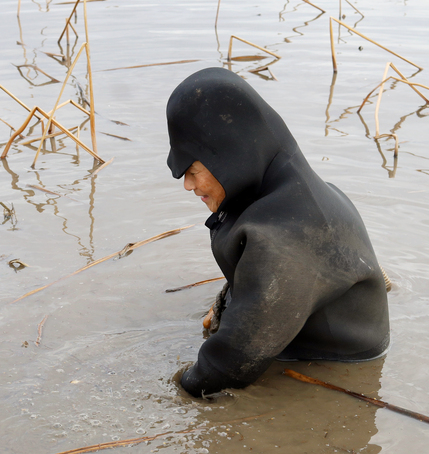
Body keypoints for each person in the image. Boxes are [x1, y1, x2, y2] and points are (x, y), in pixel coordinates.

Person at [166, 68, 390, 397]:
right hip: (301, 334)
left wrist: (181, 388)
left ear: (229, 157)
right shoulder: (294, 192)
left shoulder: (285, 238)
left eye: (193, 171)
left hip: (334, 371)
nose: (188, 185)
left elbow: (233, 360)